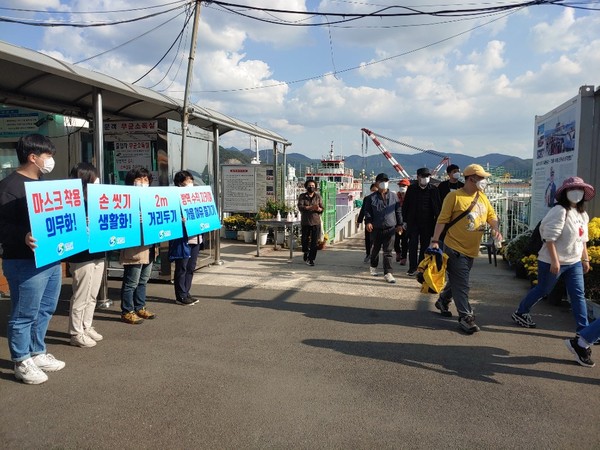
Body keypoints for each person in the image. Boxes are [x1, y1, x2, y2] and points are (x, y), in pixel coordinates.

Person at [0, 134, 65, 384]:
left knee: (46, 308)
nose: (50, 161)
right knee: (24, 312)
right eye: (48, 156)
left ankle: (37, 351)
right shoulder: (9, 187)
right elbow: (3, 227)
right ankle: (21, 360)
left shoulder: (44, 183)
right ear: (33, 157)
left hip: (50, 258)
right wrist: (23, 235)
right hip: (23, 261)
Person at [512, 176, 594, 332]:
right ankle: (521, 312)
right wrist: (555, 261)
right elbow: (549, 238)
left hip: (574, 262)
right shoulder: (559, 211)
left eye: (579, 189)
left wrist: (585, 258)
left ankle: (584, 331)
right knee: (543, 289)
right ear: (565, 192)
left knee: (578, 295)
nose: (576, 192)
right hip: (551, 261)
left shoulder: (582, 214)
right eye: (572, 189)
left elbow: (583, 239)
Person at [430, 164, 501, 334]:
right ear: (471, 179)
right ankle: (465, 316)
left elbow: (492, 216)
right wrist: (434, 240)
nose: (484, 181)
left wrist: (495, 229)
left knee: (457, 280)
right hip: (455, 247)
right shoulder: (454, 197)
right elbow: (442, 219)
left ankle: (443, 300)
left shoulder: (482, 197)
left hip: (471, 249)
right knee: (462, 283)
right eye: (482, 178)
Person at [66, 162, 106, 347]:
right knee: (81, 295)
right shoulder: (71, 203)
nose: (97, 181)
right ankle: (76, 332)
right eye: (93, 178)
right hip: (82, 256)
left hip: (98, 252)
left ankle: (86, 326)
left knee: (92, 294)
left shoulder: (97, 200)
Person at [120, 167, 157, 324]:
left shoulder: (152, 198)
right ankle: (127, 311)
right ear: (131, 182)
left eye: (146, 180)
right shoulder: (124, 199)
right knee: (131, 281)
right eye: (139, 179)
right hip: (134, 247)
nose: (143, 183)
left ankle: (140, 307)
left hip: (149, 246)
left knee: (143, 280)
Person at [169, 170, 202, 306]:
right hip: (183, 239)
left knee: (190, 267)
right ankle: (180, 295)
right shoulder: (174, 198)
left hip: (196, 237)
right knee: (181, 268)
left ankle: (187, 292)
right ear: (179, 184)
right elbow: (169, 215)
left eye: (190, 180)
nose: (189, 183)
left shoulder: (197, 196)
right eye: (186, 181)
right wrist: (179, 219)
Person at [363, 173, 403, 284]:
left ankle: (388, 273)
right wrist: (368, 222)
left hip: (390, 228)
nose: (384, 183)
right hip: (376, 228)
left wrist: (400, 224)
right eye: (381, 181)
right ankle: (373, 266)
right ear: (376, 183)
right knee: (375, 249)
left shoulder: (394, 196)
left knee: (388, 251)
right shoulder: (371, 198)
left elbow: (398, 211)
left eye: (386, 181)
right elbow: (367, 211)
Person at [402, 167, 442, 276]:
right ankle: (412, 268)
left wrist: (438, 222)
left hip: (428, 222)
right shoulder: (412, 188)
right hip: (413, 221)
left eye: (428, 176)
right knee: (413, 244)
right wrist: (404, 221)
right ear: (418, 177)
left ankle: (421, 267)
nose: (426, 178)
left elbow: (438, 207)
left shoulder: (433, 189)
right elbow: (406, 205)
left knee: (425, 245)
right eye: (423, 176)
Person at [297, 179, 323, 266]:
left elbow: (322, 208)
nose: (311, 187)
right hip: (305, 221)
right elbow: (300, 207)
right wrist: (311, 207)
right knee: (304, 240)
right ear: (306, 186)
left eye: (313, 186)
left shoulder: (318, 197)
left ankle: (311, 259)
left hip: (316, 222)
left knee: (314, 242)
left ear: (315, 187)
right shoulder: (302, 196)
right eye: (309, 186)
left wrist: (319, 209)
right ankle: (306, 251)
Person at [356, 183, 378, 263]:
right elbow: (363, 211)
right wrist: (359, 221)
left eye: (375, 190)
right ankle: (368, 254)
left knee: (376, 240)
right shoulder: (367, 198)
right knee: (368, 239)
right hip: (368, 222)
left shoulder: (381, 199)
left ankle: (374, 255)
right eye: (372, 190)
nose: (374, 192)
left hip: (378, 223)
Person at [394, 178, 410, 265]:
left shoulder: (411, 197)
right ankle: (398, 252)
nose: (402, 187)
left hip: (407, 221)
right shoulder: (395, 196)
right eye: (400, 186)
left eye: (404, 186)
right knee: (396, 240)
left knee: (404, 241)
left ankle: (404, 257)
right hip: (396, 221)